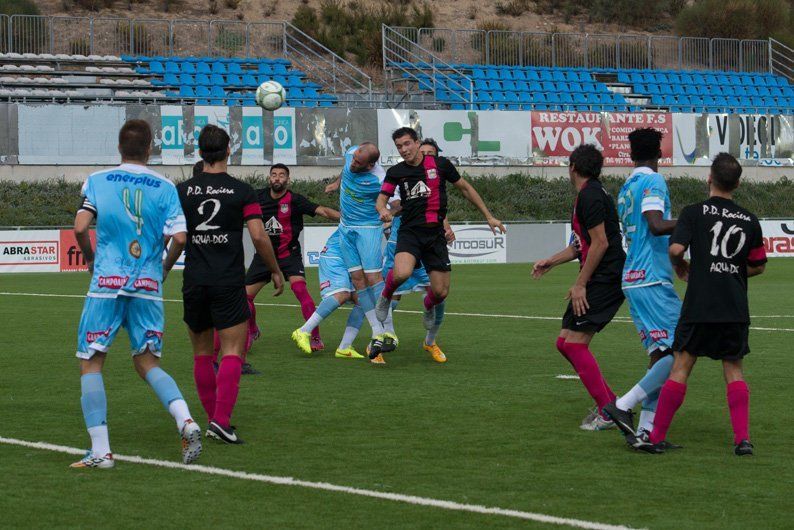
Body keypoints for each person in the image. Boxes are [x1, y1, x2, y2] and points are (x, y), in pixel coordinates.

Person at [71, 119, 201, 468]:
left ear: (119, 148)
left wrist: (90, 258)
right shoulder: (165, 186)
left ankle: (101, 452)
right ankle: (185, 419)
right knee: (147, 362)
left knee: (92, 361)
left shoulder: (98, 180)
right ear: (150, 149)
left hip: (107, 285)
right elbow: (180, 238)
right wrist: (164, 267)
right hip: (147, 284)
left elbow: (81, 226)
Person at [632, 153, 767, 456]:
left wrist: (682, 265)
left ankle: (656, 437)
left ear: (709, 178)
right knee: (733, 369)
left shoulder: (693, 213)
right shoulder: (749, 220)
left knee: (682, 366)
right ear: (738, 183)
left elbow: (676, 248)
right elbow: (758, 265)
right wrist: (731, 268)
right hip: (733, 304)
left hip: (699, 304)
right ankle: (742, 440)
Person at [178, 125, 284, 445]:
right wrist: (275, 270)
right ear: (229, 151)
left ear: (200, 152)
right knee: (232, 350)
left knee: (200, 354)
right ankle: (221, 421)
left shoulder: (182, 191)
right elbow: (258, 235)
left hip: (194, 280)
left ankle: (213, 419)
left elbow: (173, 235)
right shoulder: (242, 191)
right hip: (227, 280)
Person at [374, 127, 505, 363]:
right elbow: (382, 198)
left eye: (407, 144)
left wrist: (488, 216)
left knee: (440, 292)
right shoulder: (396, 171)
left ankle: (428, 306)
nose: (404, 150)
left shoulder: (441, 165)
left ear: (416, 142)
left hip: (435, 235)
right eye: (399, 147)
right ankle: (385, 295)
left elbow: (465, 188)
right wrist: (383, 210)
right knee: (401, 273)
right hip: (410, 232)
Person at [532, 144, 625, 431]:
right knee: (564, 343)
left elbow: (601, 243)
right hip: (600, 274)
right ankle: (613, 403)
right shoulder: (588, 194)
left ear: (572, 166)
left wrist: (580, 284)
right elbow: (581, 245)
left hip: (606, 277)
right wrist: (552, 260)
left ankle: (609, 412)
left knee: (574, 344)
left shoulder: (591, 196)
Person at [601, 128, 682, 449]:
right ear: (659, 154)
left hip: (633, 277)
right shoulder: (654, 182)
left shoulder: (626, 187)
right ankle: (622, 405)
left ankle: (647, 434)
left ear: (632, 155)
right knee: (680, 352)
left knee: (661, 356)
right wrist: (693, 217)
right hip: (651, 277)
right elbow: (655, 224)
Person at [246, 163, 339, 354]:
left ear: (288, 180)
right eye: (274, 175)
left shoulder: (296, 200)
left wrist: (347, 218)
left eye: (281, 175)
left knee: (301, 292)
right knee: (244, 299)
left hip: (290, 255)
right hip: (263, 256)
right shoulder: (257, 197)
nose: (277, 178)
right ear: (269, 178)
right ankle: (252, 330)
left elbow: (322, 210)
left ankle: (314, 336)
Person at [379, 138, 456, 363]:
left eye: (431, 154)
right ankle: (385, 337)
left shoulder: (438, 176)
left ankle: (430, 342)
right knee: (395, 290)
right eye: (424, 153)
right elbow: (393, 204)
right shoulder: (401, 174)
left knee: (438, 294)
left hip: (431, 240)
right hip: (404, 239)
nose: (427, 157)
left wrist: (446, 226)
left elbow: (435, 207)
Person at [325, 142, 395, 363]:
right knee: (357, 280)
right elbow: (345, 169)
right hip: (347, 229)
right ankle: (377, 331)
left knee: (375, 278)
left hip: (368, 230)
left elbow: (397, 202)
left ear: (370, 165)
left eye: (358, 162)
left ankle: (389, 331)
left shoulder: (380, 179)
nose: (353, 162)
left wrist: (386, 211)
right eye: (354, 158)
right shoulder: (350, 154)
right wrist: (337, 183)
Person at [292, 229, 365, 359]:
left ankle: (344, 347)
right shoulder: (373, 214)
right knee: (342, 294)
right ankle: (303, 331)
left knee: (363, 300)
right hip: (336, 255)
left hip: (352, 257)